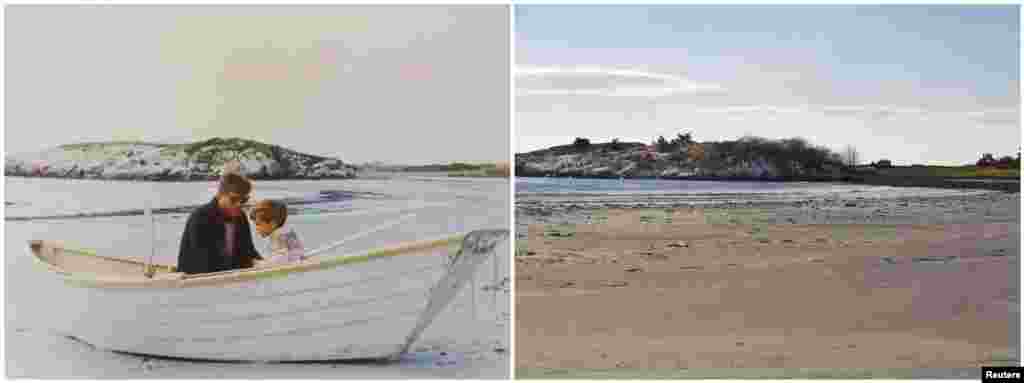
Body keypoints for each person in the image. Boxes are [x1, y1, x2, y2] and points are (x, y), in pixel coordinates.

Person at [177, 173, 262, 274]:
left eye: (244, 200)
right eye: (233, 199)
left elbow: (248, 251)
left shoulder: (241, 217)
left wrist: (265, 264)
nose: (239, 204)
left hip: (229, 277)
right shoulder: (200, 217)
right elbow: (202, 260)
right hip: (197, 279)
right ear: (220, 195)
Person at [249, 199, 306, 266]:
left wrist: (257, 264)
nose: (256, 229)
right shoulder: (286, 232)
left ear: (273, 223)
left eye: (258, 224)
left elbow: (281, 259)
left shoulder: (279, 236)